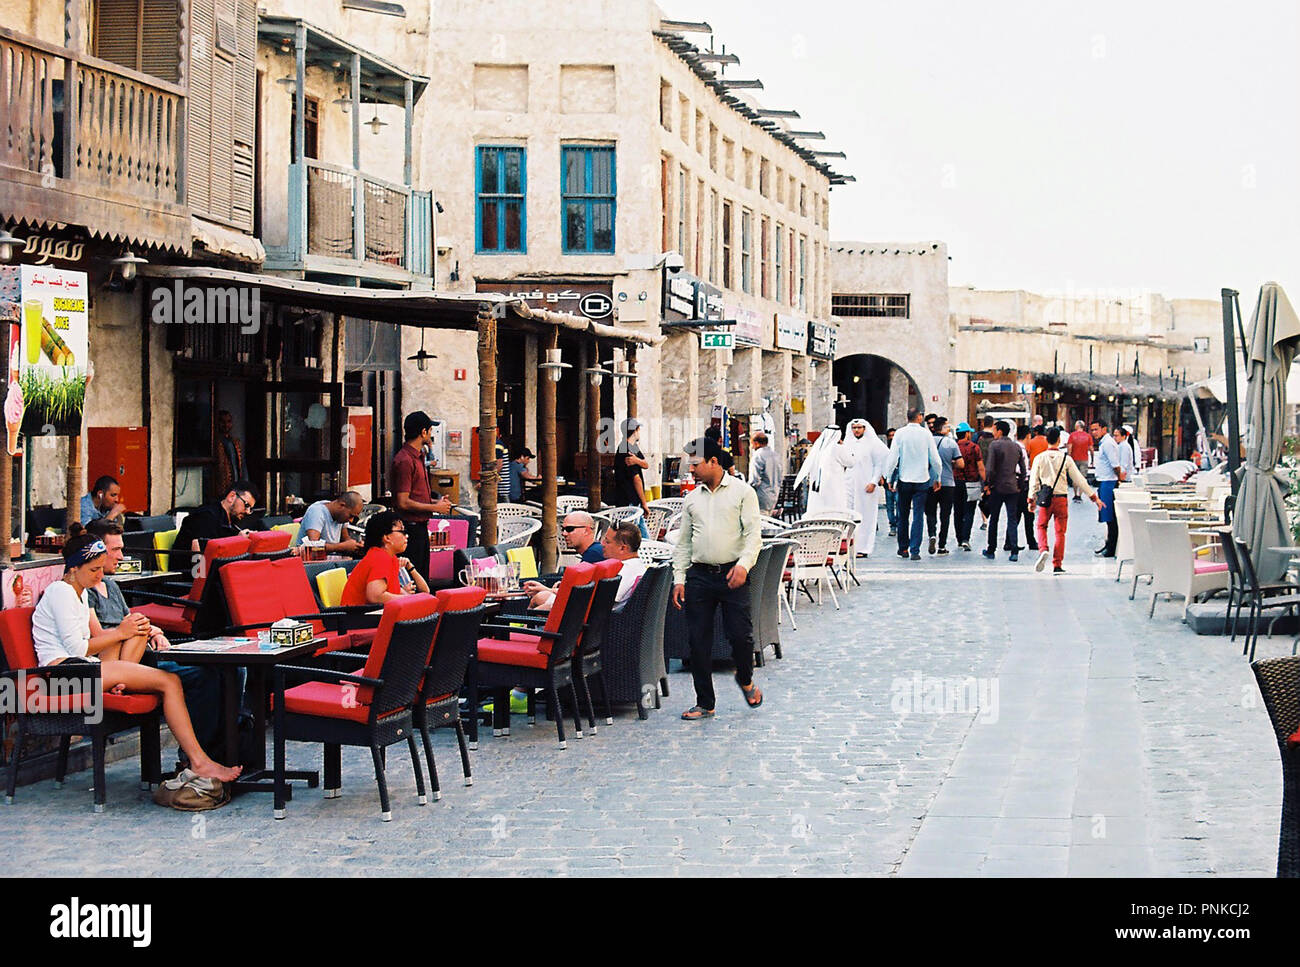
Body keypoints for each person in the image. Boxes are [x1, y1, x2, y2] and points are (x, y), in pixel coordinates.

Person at [31, 533, 241, 782]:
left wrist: (132, 629)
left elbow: (100, 639)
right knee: (169, 682)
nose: (100, 576)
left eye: (101, 568)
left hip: (86, 669)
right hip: (63, 677)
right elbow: (77, 649)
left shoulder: (81, 592)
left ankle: (197, 759)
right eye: (93, 570)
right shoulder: (60, 592)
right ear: (74, 568)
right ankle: (199, 762)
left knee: (138, 630)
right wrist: (121, 632)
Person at [82, 519, 222, 749]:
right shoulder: (84, 591)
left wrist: (154, 631)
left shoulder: (111, 585)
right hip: (127, 664)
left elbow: (131, 621)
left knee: (228, 671)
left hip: (143, 652)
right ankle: (195, 755)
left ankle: (222, 745)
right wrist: (139, 631)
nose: (120, 557)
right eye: (115, 550)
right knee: (204, 677)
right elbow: (101, 638)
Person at [671, 436, 763, 720]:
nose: (692, 470)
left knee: (740, 636)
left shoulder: (742, 492)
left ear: (713, 462)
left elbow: (753, 536)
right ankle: (705, 702)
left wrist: (744, 566)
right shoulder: (691, 499)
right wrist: (679, 578)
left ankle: (745, 679)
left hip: (733, 574)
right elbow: (684, 543)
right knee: (697, 640)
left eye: (696, 464)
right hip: (699, 576)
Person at [1029, 427, 1104, 574]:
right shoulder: (1066, 459)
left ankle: (1043, 549)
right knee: (1060, 532)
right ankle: (1057, 564)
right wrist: (1093, 497)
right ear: (1059, 440)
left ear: (1046, 440)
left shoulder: (1039, 458)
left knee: (1041, 526)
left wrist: (1031, 499)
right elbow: (1079, 479)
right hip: (1061, 498)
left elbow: (1033, 481)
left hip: (1045, 498)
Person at [392, 411, 452, 585]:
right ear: (423, 432)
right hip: (410, 529)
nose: (431, 435)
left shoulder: (418, 456)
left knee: (423, 577)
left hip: (420, 527)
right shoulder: (405, 460)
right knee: (413, 580)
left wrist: (436, 503)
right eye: (430, 431)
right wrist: (435, 508)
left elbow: (416, 496)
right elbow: (403, 501)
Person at [884, 408, 941, 561]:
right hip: (922, 480)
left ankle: (903, 548)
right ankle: (915, 550)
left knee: (903, 514)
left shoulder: (900, 434)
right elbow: (935, 459)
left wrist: (889, 477)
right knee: (918, 515)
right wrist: (938, 476)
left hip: (904, 480)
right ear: (919, 418)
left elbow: (893, 457)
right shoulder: (926, 434)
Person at [340, 511, 430, 606]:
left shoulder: (391, 558)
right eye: (402, 531)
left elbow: (424, 592)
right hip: (358, 617)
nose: (406, 536)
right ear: (387, 538)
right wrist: (411, 599)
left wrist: (416, 599)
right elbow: (375, 596)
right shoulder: (379, 558)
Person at [173, 480, 258, 571]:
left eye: (251, 508)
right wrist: (237, 540)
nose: (248, 511)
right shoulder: (206, 516)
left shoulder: (231, 521)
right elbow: (199, 557)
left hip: (215, 573)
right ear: (231, 497)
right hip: (187, 574)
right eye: (246, 505)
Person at [982, 420, 1026, 561]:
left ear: (1000, 431)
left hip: (997, 487)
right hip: (1013, 487)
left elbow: (989, 468)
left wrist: (987, 484)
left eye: (995, 430)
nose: (993, 433)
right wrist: (1019, 483)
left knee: (994, 518)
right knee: (1012, 519)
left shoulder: (995, 445)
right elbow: (1023, 469)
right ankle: (1014, 550)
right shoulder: (1016, 446)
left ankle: (991, 549)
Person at [846, 419, 890, 558]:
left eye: (859, 427)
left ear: (865, 428)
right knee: (849, 516)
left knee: (866, 517)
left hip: (867, 486)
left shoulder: (873, 444)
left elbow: (879, 464)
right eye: (854, 428)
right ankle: (849, 547)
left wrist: (874, 481)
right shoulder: (847, 443)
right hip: (849, 485)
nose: (856, 430)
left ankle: (863, 548)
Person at [924, 416, 963, 555]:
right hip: (947, 483)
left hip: (929, 481)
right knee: (945, 515)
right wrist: (950, 463)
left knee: (930, 512)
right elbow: (961, 464)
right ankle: (941, 545)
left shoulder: (927, 442)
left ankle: (932, 534)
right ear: (943, 429)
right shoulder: (951, 443)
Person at [1090, 419, 1126, 557]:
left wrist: (1119, 477)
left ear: (1104, 429)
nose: (1094, 433)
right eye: (1092, 430)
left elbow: (1115, 464)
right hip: (1104, 481)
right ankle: (1108, 543)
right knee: (1106, 515)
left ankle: (1111, 547)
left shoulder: (1108, 444)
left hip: (1109, 482)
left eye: (1096, 429)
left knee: (1110, 517)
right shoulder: (1104, 443)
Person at [800, 426, 855, 515]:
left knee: (819, 510)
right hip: (834, 486)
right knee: (834, 511)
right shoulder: (837, 448)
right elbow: (851, 462)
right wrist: (844, 446)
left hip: (818, 486)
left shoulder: (818, 448)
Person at [294, 492, 364, 554]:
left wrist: (356, 546)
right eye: (351, 516)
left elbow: (345, 539)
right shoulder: (316, 512)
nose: (351, 520)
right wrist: (341, 547)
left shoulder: (341, 516)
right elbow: (313, 547)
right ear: (342, 505)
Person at [953, 423, 984, 551]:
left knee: (958, 511)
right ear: (966, 434)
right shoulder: (974, 447)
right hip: (972, 481)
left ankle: (959, 539)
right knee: (969, 511)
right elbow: (980, 467)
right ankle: (966, 538)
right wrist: (985, 482)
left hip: (956, 482)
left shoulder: (953, 446)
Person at [612, 419, 650, 511]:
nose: (639, 433)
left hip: (635, 501)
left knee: (641, 526)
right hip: (629, 501)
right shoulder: (625, 450)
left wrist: (636, 460)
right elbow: (636, 479)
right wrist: (644, 503)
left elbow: (646, 464)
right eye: (638, 430)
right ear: (634, 431)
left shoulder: (633, 447)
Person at [214, 410, 245, 501]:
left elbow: (241, 465)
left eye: (228, 421)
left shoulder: (235, 442)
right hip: (220, 486)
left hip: (235, 485)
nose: (226, 425)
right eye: (222, 422)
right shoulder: (215, 443)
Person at [747, 430, 781, 515]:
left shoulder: (758, 456)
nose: (751, 446)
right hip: (774, 495)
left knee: (760, 522)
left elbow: (755, 480)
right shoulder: (776, 455)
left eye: (751, 443)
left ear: (756, 443)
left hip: (761, 496)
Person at [1067, 420, 1093, 501]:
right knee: (1082, 478)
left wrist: (1069, 457)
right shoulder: (1088, 436)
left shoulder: (1072, 435)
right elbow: (1091, 449)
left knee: (1075, 477)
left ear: (1077, 426)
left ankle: (1075, 494)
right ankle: (1080, 495)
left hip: (1074, 459)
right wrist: (1092, 459)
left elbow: (1069, 448)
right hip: (1084, 459)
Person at [883, 428, 899, 537]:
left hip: (898, 478)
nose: (892, 437)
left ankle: (898, 524)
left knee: (898, 503)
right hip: (887, 478)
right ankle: (892, 525)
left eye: (894, 435)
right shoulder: (884, 450)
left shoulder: (900, 449)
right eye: (890, 435)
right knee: (889, 504)